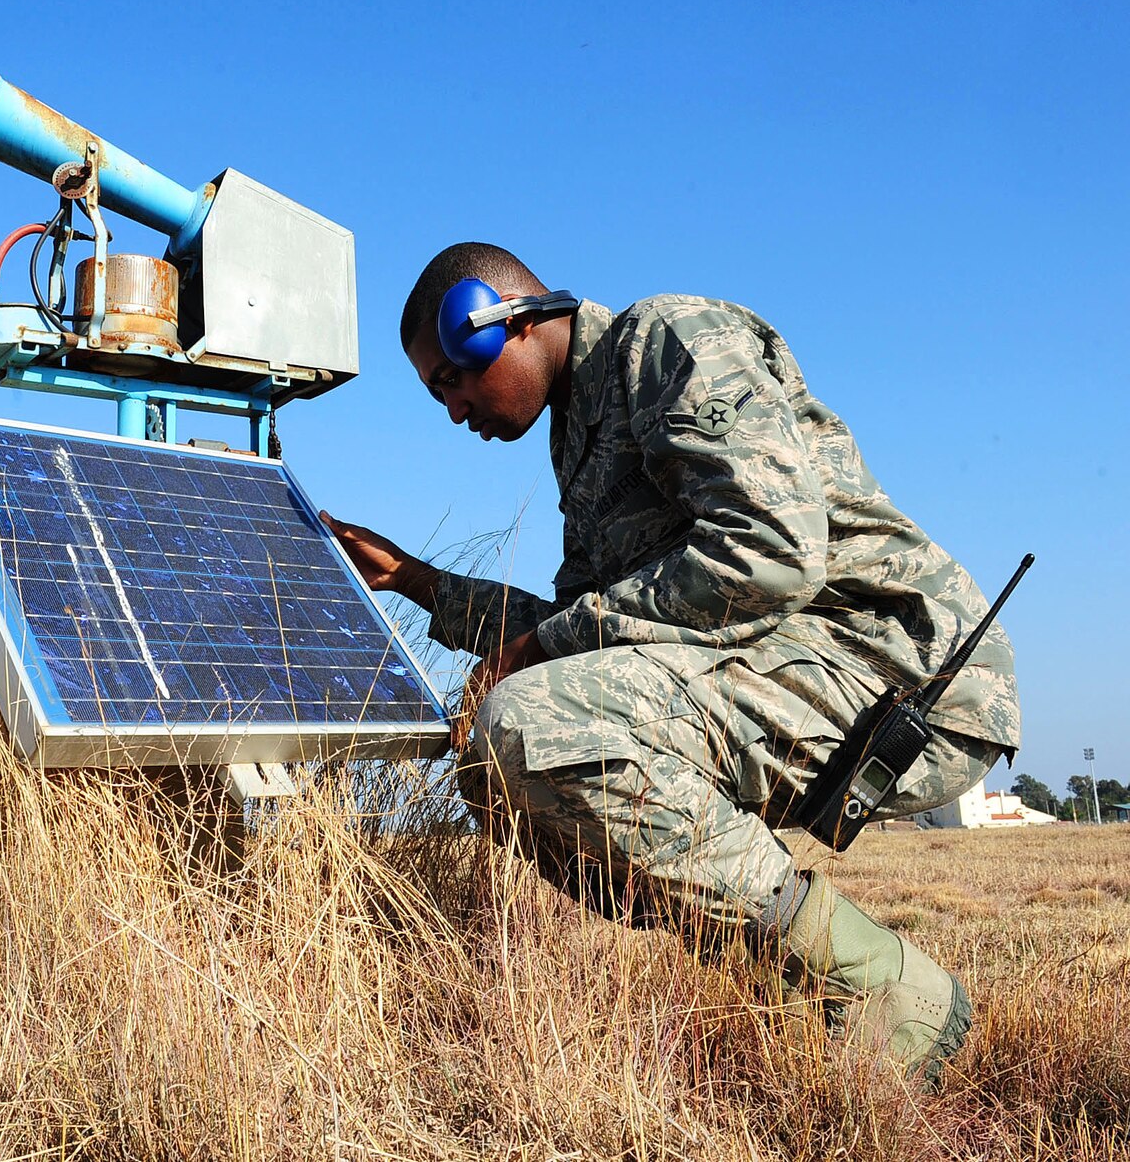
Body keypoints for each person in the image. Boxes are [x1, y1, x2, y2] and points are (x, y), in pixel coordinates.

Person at [322, 242, 1020, 1082]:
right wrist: (420, 583)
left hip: (889, 667)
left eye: (450, 378)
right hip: (785, 669)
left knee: (529, 719)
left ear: (493, 320)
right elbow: (594, 630)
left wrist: (542, 649)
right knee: (493, 765)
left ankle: (890, 987)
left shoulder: (664, 341)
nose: (453, 408)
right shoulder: (579, 443)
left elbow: (769, 553)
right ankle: (806, 991)